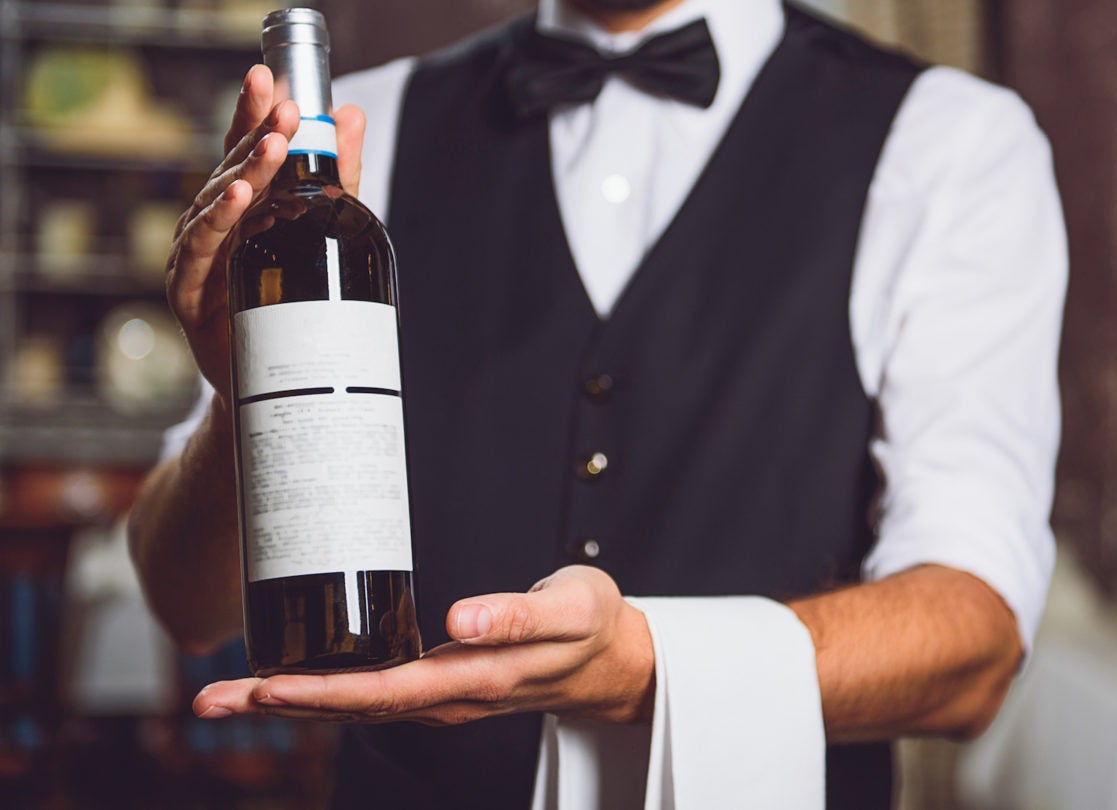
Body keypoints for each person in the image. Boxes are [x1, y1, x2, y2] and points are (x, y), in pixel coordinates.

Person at [127, 0, 1067, 805]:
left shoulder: (952, 141)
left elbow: (973, 642)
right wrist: (238, 396)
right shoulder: (369, 126)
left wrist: (649, 665)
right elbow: (187, 602)